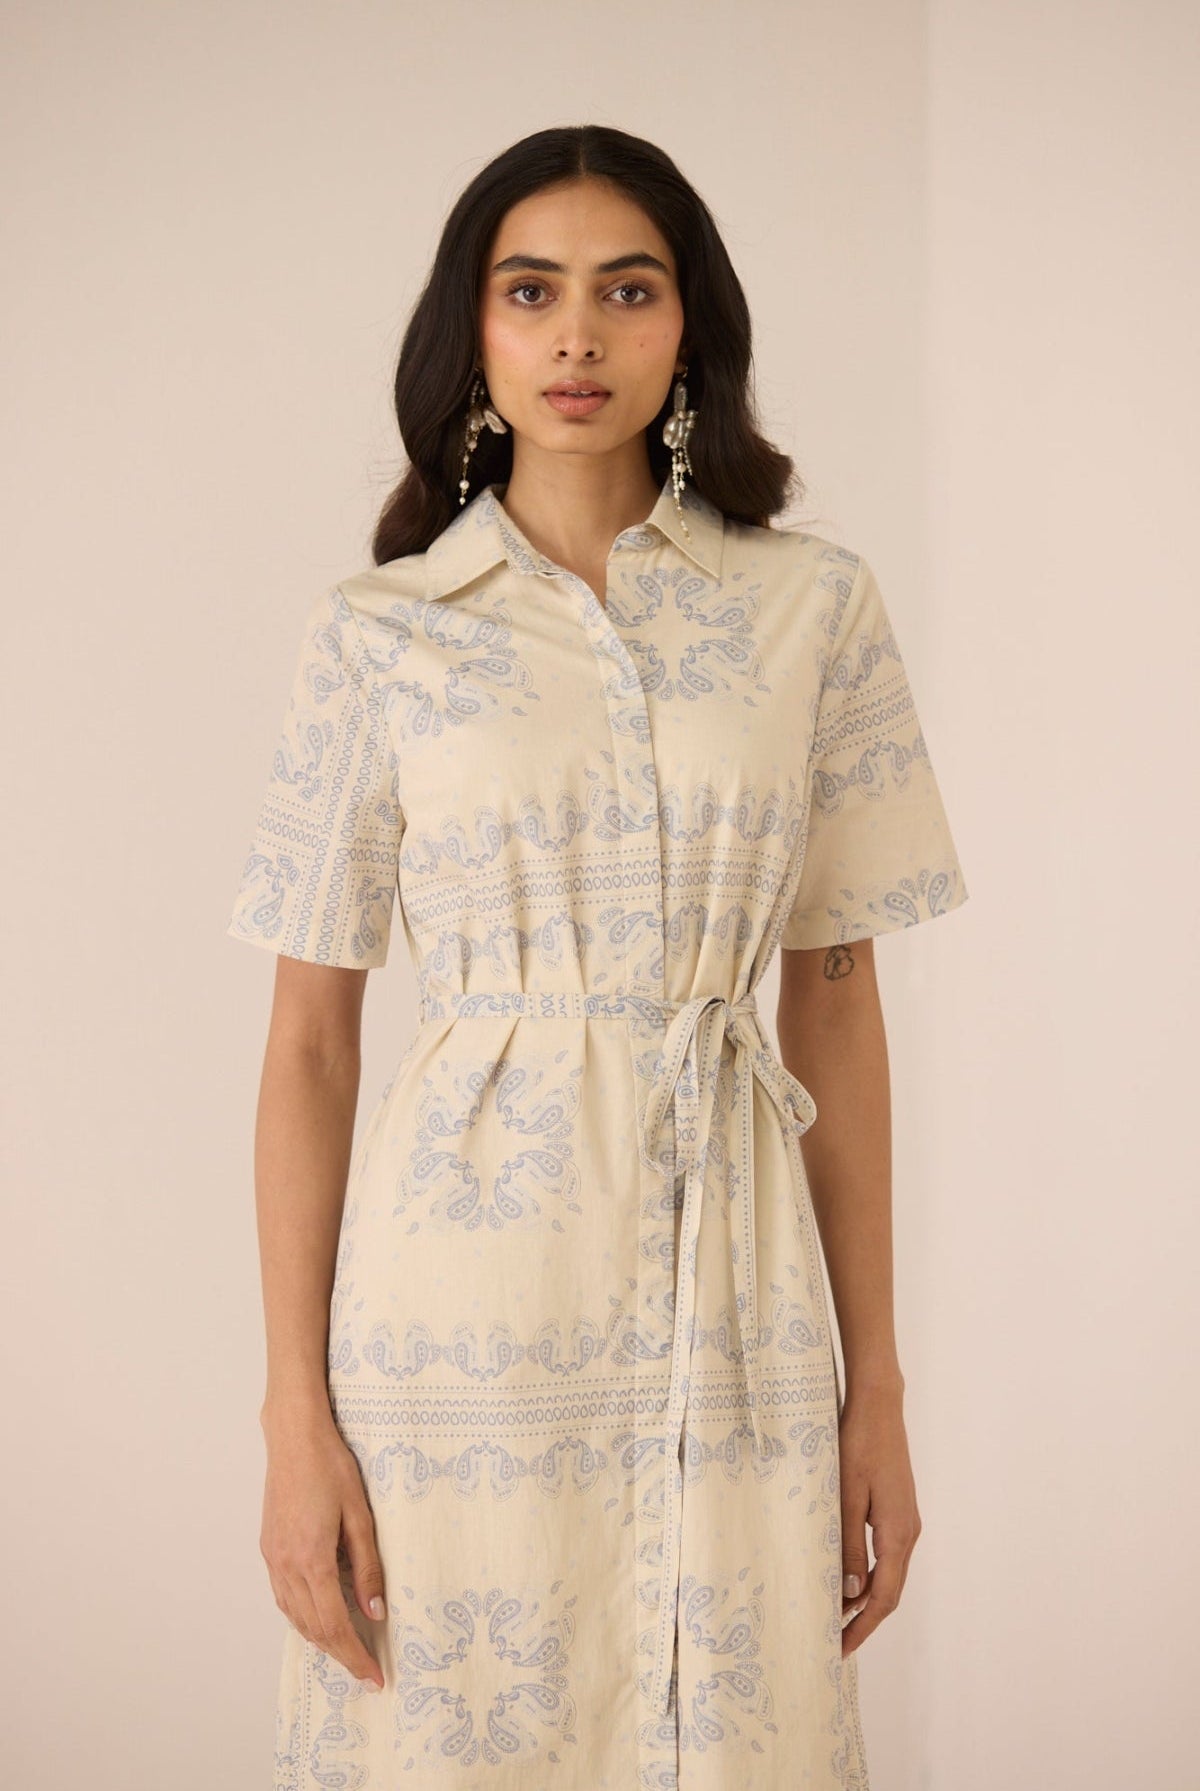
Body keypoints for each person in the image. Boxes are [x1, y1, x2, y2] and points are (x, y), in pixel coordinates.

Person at [226, 123, 969, 1791]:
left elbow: (835, 1010)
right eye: (532, 292)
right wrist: (292, 1417)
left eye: (627, 292)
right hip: (459, 1303)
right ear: (473, 335)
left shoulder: (811, 611)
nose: (579, 336)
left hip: (743, 1289)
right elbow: (309, 1046)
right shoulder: (382, 634)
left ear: (687, 326)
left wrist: (881, 1390)